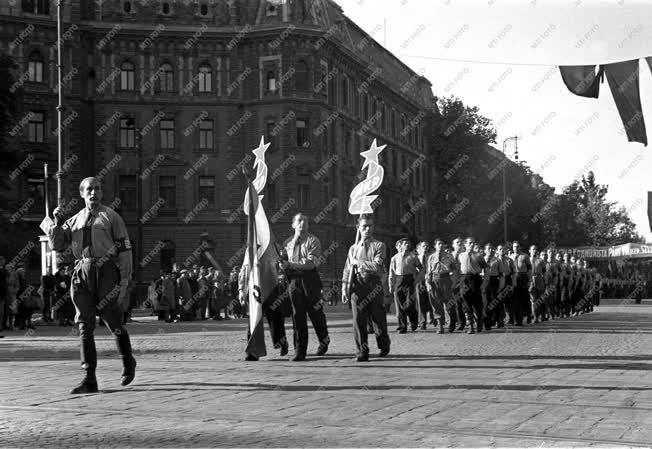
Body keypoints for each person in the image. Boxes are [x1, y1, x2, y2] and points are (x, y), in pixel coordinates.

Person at [47, 176, 136, 394]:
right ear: (82, 193)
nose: (93, 193)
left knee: (112, 319)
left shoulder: (111, 217)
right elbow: (57, 245)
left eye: (97, 189)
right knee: (84, 325)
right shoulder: (75, 219)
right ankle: (89, 378)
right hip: (81, 273)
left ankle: (127, 360)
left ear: (102, 193)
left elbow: (125, 252)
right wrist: (57, 224)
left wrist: (124, 282)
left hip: (106, 272)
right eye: (89, 189)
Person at [281, 213, 329, 361]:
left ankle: (324, 340)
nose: (302, 223)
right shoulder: (287, 243)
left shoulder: (313, 241)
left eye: (305, 220)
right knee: (297, 316)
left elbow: (310, 263)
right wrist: (281, 265)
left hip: (310, 281)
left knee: (316, 314)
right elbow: (283, 262)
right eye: (299, 220)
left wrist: (290, 264)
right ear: (293, 225)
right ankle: (300, 351)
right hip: (294, 282)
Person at [341, 215, 390, 362]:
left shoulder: (379, 246)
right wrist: (344, 287)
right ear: (358, 228)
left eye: (370, 225)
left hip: (373, 285)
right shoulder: (353, 248)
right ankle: (362, 352)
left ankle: (384, 344)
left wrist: (359, 262)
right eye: (364, 226)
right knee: (358, 320)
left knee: (378, 318)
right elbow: (347, 269)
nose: (367, 229)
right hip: (357, 285)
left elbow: (377, 266)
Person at [389, 238, 420, 333]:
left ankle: (413, 319)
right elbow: (392, 272)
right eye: (405, 243)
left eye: (408, 243)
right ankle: (403, 327)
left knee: (409, 303)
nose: (407, 245)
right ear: (401, 245)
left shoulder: (413, 257)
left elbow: (421, 268)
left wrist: (417, 279)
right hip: (399, 280)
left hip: (409, 280)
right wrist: (391, 285)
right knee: (400, 303)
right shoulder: (394, 258)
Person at [457, 237, 486, 333]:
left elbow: (486, 269)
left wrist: (484, 282)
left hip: (475, 279)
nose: (472, 244)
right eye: (470, 243)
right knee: (465, 302)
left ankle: (480, 321)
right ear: (465, 244)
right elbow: (456, 269)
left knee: (477, 302)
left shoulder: (478, 255)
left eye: (473, 243)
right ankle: (470, 326)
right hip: (464, 279)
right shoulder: (460, 255)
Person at [425, 239, 453, 334]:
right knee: (436, 303)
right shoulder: (431, 257)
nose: (441, 245)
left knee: (448, 302)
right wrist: (428, 282)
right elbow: (429, 271)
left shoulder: (449, 256)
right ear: (435, 246)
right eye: (439, 244)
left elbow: (454, 269)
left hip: (446, 279)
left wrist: (453, 280)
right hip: (434, 279)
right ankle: (440, 325)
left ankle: (451, 322)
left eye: (442, 244)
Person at [511, 241, 531, 326]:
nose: (516, 248)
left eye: (517, 246)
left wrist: (529, 280)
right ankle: (517, 319)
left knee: (525, 298)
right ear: (512, 247)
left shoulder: (525, 256)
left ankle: (528, 315)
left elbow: (529, 269)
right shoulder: (510, 257)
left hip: (523, 277)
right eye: (514, 246)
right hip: (514, 278)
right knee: (515, 300)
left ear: (520, 247)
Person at [415, 241, 433, 330]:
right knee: (420, 301)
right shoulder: (415, 258)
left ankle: (433, 318)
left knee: (431, 300)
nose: (425, 247)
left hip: (430, 280)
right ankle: (422, 322)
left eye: (427, 246)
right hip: (420, 281)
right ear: (419, 248)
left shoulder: (431, 257)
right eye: (423, 246)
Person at [528, 245, 546, 323]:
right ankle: (535, 317)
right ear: (529, 251)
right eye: (533, 249)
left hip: (539, 279)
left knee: (540, 299)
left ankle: (542, 315)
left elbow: (544, 271)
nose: (534, 250)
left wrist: (544, 280)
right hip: (531, 279)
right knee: (533, 299)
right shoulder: (527, 259)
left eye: (536, 249)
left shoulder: (541, 260)